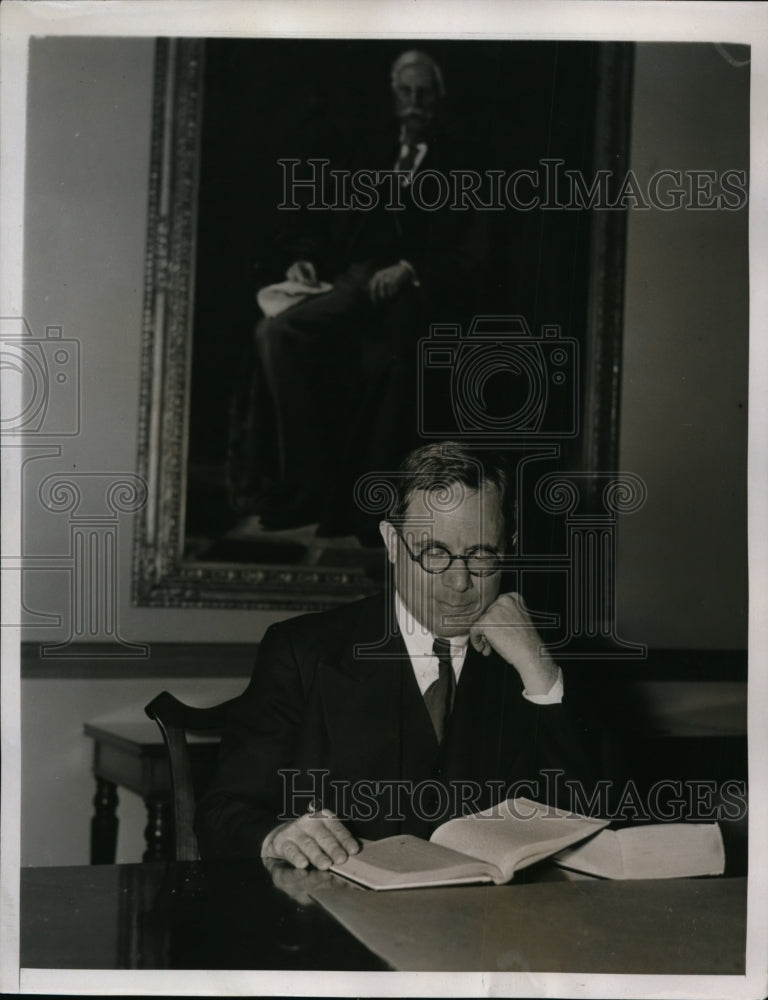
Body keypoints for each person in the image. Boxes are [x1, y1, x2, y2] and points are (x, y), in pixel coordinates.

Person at [196, 441, 596, 867]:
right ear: (392, 542)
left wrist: (538, 670)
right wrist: (277, 837)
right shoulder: (302, 652)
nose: (460, 582)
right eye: (434, 553)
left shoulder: (536, 657)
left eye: (482, 555)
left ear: (508, 547)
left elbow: (593, 821)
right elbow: (223, 813)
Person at [227, 50, 487, 533]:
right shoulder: (369, 151)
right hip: (353, 280)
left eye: (424, 93)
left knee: (390, 358)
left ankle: (368, 504)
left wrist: (409, 267)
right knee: (274, 334)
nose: (415, 103)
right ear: (394, 96)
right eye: (406, 92)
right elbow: (331, 224)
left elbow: (472, 249)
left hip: (418, 291)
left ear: (440, 97)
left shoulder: (464, 159)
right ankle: (306, 485)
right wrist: (306, 260)